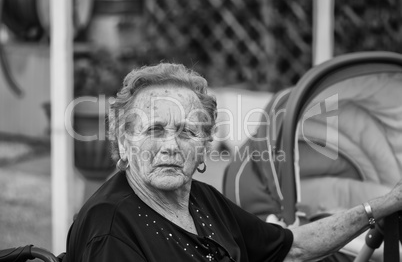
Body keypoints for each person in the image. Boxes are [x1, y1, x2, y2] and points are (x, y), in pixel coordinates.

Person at [64, 63, 402, 262]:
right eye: (154, 130)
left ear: (205, 146)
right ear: (124, 144)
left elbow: (293, 246)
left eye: (186, 132)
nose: (170, 146)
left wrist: (380, 206)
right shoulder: (110, 227)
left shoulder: (202, 200)